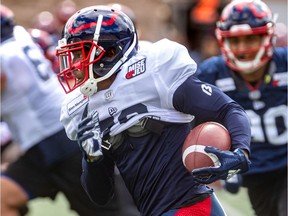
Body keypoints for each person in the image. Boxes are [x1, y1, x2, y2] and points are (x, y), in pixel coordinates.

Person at [55, 5, 252, 216]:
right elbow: (101, 196)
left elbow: (227, 108)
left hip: (191, 205)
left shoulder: (155, 72)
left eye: (80, 54)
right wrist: (92, 160)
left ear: (111, 52)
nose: (74, 65)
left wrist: (241, 151)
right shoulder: (82, 108)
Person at [0, 4, 139, 216]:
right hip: (45, 141)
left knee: (112, 212)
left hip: (61, 140)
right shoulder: (20, 36)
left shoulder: (4, 55)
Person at [196, 1, 287, 216]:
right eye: (235, 40)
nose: (243, 47)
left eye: (251, 38)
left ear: (267, 37)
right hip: (254, 172)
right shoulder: (210, 74)